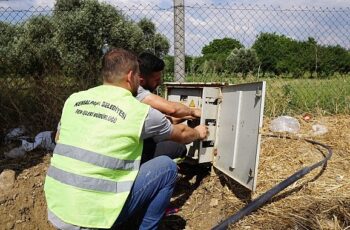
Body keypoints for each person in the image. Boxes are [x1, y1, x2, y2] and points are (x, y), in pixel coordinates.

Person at [44, 48, 208, 230]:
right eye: (139, 76)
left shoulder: (74, 100)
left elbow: (59, 138)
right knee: (167, 168)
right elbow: (183, 134)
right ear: (130, 76)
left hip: (59, 210)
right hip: (95, 219)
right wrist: (199, 133)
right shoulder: (139, 111)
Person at [137, 52, 201, 163]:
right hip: (135, 153)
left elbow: (161, 120)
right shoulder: (137, 92)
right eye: (156, 80)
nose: (160, 82)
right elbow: (171, 109)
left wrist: (186, 116)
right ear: (141, 80)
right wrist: (193, 112)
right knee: (177, 147)